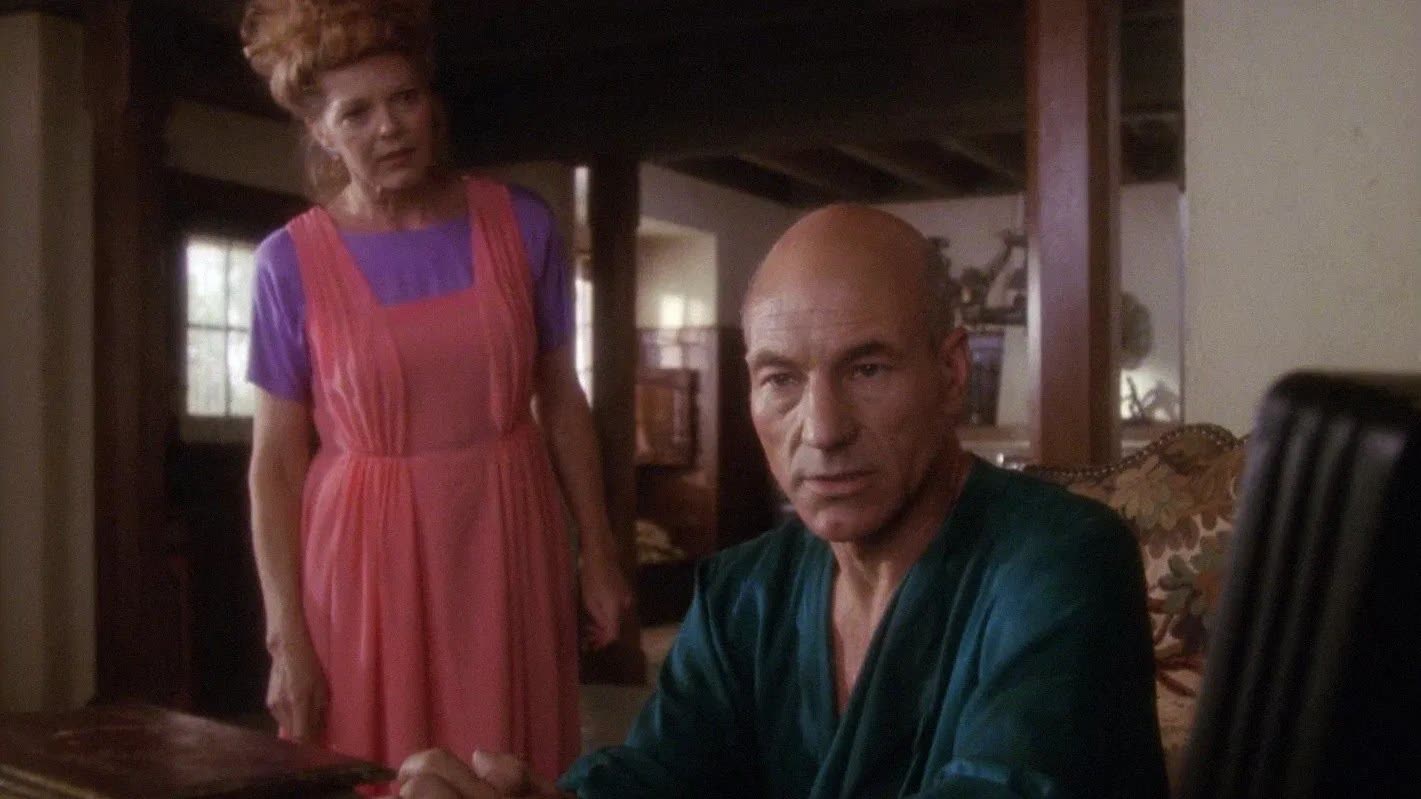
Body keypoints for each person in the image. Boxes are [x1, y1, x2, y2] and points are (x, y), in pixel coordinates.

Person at [396, 205, 1168, 798]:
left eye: (866, 369)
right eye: (780, 380)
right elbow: (661, 774)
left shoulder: (1060, 560)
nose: (822, 430)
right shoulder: (744, 593)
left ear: (951, 371)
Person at [239, 0, 630, 779]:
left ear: (431, 102)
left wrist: (599, 551)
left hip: (506, 532)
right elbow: (275, 464)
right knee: (371, 765)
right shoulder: (288, 263)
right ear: (321, 131)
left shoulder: (521, 224)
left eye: (405, 98)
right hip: (364, 561)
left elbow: (561, 399)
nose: (389, 127)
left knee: (508, 762)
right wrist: (287, 637)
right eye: (356, 112)